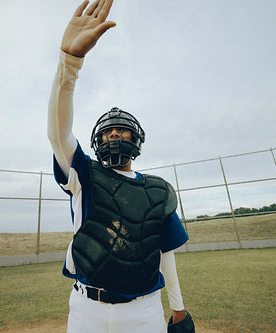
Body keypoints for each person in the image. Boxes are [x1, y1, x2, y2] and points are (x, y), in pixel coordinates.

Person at [47, 1, 195, 332]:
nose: (114, 133)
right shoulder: (83, 174)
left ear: (136, 138)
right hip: (87, 309)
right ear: (97, 140)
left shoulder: (157, 191)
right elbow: (57, 135)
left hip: (143, 311)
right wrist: (69, 64)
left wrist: (179, 308)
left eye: (121, 129)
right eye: (107, 131)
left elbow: (165, 253)